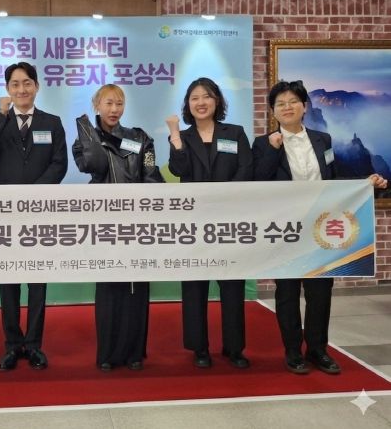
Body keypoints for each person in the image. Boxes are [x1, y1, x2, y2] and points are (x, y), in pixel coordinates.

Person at [252, 80, 388, 375]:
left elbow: (334, 179)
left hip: (320, 227)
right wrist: (274, 150)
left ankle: (317, 350)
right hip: (285, 229)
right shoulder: (263, 143)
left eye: (293, 102)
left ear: (304, 107)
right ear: (273, 111)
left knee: (320, 292)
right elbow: (258, 182)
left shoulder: (322, 139)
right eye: (280, 104)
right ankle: (292, 352)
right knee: (287, 292)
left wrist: (365, 184)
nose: (287, 107)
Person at [0, 61, 67, 371]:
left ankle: (34, 344)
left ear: (37, 86)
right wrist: (1, 115)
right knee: (9, 280)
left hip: (39, 213)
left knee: (38, 281)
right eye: (15, 84)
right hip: (5, 214)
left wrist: (34, 195)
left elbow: (59, 165)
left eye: (27, 83)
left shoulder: (51, 122)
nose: (21, 89)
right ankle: (13, 345)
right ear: (7, 89)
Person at [72, 84, 163, 371]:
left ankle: (135, 353)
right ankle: (108, 354)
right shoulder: (85, 139)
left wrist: (142, 209)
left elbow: (152, 175)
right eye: (108, 103)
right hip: (104, 225)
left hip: (136, 223)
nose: (114, 109)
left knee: (137, 287)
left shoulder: (140, 137)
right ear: (97, 105)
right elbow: (93, 164)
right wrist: (88, 130)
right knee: (110, 287)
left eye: (119, 103)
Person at [166, 77, 252, 369]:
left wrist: (224, 200)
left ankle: (234, 348)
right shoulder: (182, 136)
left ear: (217, 101)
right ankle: (199, 347)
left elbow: (246, 169)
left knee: (232, 285)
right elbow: (178, 170)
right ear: (188, 105)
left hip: (229, 220)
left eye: (206, 96)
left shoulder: (235, 133)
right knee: (194, 286)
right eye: (194, 98)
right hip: (194, 223)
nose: (201, 102)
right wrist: (175, 136)